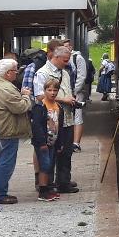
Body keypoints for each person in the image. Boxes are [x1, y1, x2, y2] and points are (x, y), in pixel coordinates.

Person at [33, 42, 81, 193]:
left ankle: (63, 182)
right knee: (50, 154)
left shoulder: (64, 73)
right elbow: (40, 96)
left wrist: (71, 99)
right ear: (56, 57)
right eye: (65, 60)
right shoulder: (42, 73)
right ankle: (48, 184)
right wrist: (63, 99)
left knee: (66, 152)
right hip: (50, 121)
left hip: (66, 118)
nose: (67, 63)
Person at [0, 59, 33, 205]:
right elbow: (20, 107)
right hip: (7, 130)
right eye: (15, 70)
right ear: (8, 73)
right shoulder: (6, 88)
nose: (17, 73)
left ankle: (0, 191)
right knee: (6, 163)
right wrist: (25, 95)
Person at [30, 78, 65, 201]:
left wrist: (60, 143)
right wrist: (41, 142)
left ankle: (49, 187)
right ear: (44, 91)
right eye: (49, 90)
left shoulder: (59, 107)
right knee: (44, 165)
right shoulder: (40, 106)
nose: (52, 93)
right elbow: (37, 126)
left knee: (50, 164)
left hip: (53, 141)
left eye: (55, 90)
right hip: (43, 142)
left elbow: (60, 126)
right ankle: (43, 190)